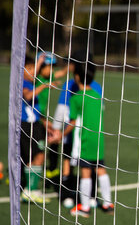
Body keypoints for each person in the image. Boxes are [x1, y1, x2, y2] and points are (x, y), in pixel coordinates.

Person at [60, 61, 113, 217]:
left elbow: (73, 122)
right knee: (101, 170)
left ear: (76, 77)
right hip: (99, 140)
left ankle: (84, 207)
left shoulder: (76, 99)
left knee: (85, 172)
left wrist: (60, 135)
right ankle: (108, 203)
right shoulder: (97, 96)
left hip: (84, 140)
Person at [52, 52, 103, 208]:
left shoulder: (95, 88)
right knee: (68, 158)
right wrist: (57, 129)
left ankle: (90, 194)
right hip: (71, 132)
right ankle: (66, 193)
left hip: (86, 134)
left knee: (89, 163)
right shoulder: (70, 85)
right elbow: (62, 110)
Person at [20, 55, 59, 203]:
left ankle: (33, 189)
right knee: (33, 157)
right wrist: (43, 86)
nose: (32, 72)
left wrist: (41, 61)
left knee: (40, 155)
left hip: (36, 125)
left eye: (33, 69)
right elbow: (28, 96)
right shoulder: (23, 83)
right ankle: (29, 190)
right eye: (29, 69)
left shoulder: (32, 81)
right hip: (27, 125)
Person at [35, 51, 68, 181]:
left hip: (41, 117)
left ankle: (52, 169)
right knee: (36, 149)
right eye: (50, 66)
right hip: (35, 119)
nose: (52, 70)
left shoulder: (47, 77)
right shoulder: (35, 80)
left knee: (54, 136)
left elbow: (62, 73)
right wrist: (44, 122)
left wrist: (69, 63)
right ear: (42, 66)